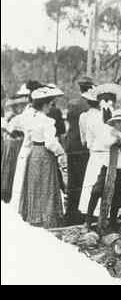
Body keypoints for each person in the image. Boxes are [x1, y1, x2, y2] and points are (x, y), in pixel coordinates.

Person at [19, 86, 68, 229]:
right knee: (46, 186)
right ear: (45, 105)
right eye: (50, 104)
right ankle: (46, 219)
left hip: (34, 153)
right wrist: (60, 152)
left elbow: (27, 139)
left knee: (35, 185)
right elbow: (50, 142)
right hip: (44, 155)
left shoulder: (31, 118)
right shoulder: (47, 121)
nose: (50, 107)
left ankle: (34, 216)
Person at [79, 83, 121, 217]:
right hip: (98, 156)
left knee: (115, 186)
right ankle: (91, 217)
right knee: (95, 188)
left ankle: (111, 217)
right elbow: (89, 141)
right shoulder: (93, 118)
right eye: (104, 100)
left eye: (109, 100)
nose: (107, 103)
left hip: (115, 156)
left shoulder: (119, 118)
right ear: (99, 102)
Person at [85, 109, 121, 230]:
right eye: (118, 122)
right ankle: (88, 220)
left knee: (117, 197)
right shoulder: (107, 133)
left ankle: (113, 222)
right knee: (96, 191)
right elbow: (98, 145)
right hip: (107, 168)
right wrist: (115, 141)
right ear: (114, 123)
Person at [64, 76, 95, 224]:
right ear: (90, 88)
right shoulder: (90, 105)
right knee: (84, 180)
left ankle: (71, 214)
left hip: (71, 146)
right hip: (84, 147)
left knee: (73, 181)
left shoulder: (73, 103)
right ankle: (81, 214)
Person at [11, 81, 45, 211]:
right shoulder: (31, 113)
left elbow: (13, 126)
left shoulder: (28, 113)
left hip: (29, 149)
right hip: (31, 148)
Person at [1, 94, 29, 203]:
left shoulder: (19, 117)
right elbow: (9, 130)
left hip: (17, 144)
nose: (18, 108)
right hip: (13, 145)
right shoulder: (12, 117)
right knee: (10, 166)